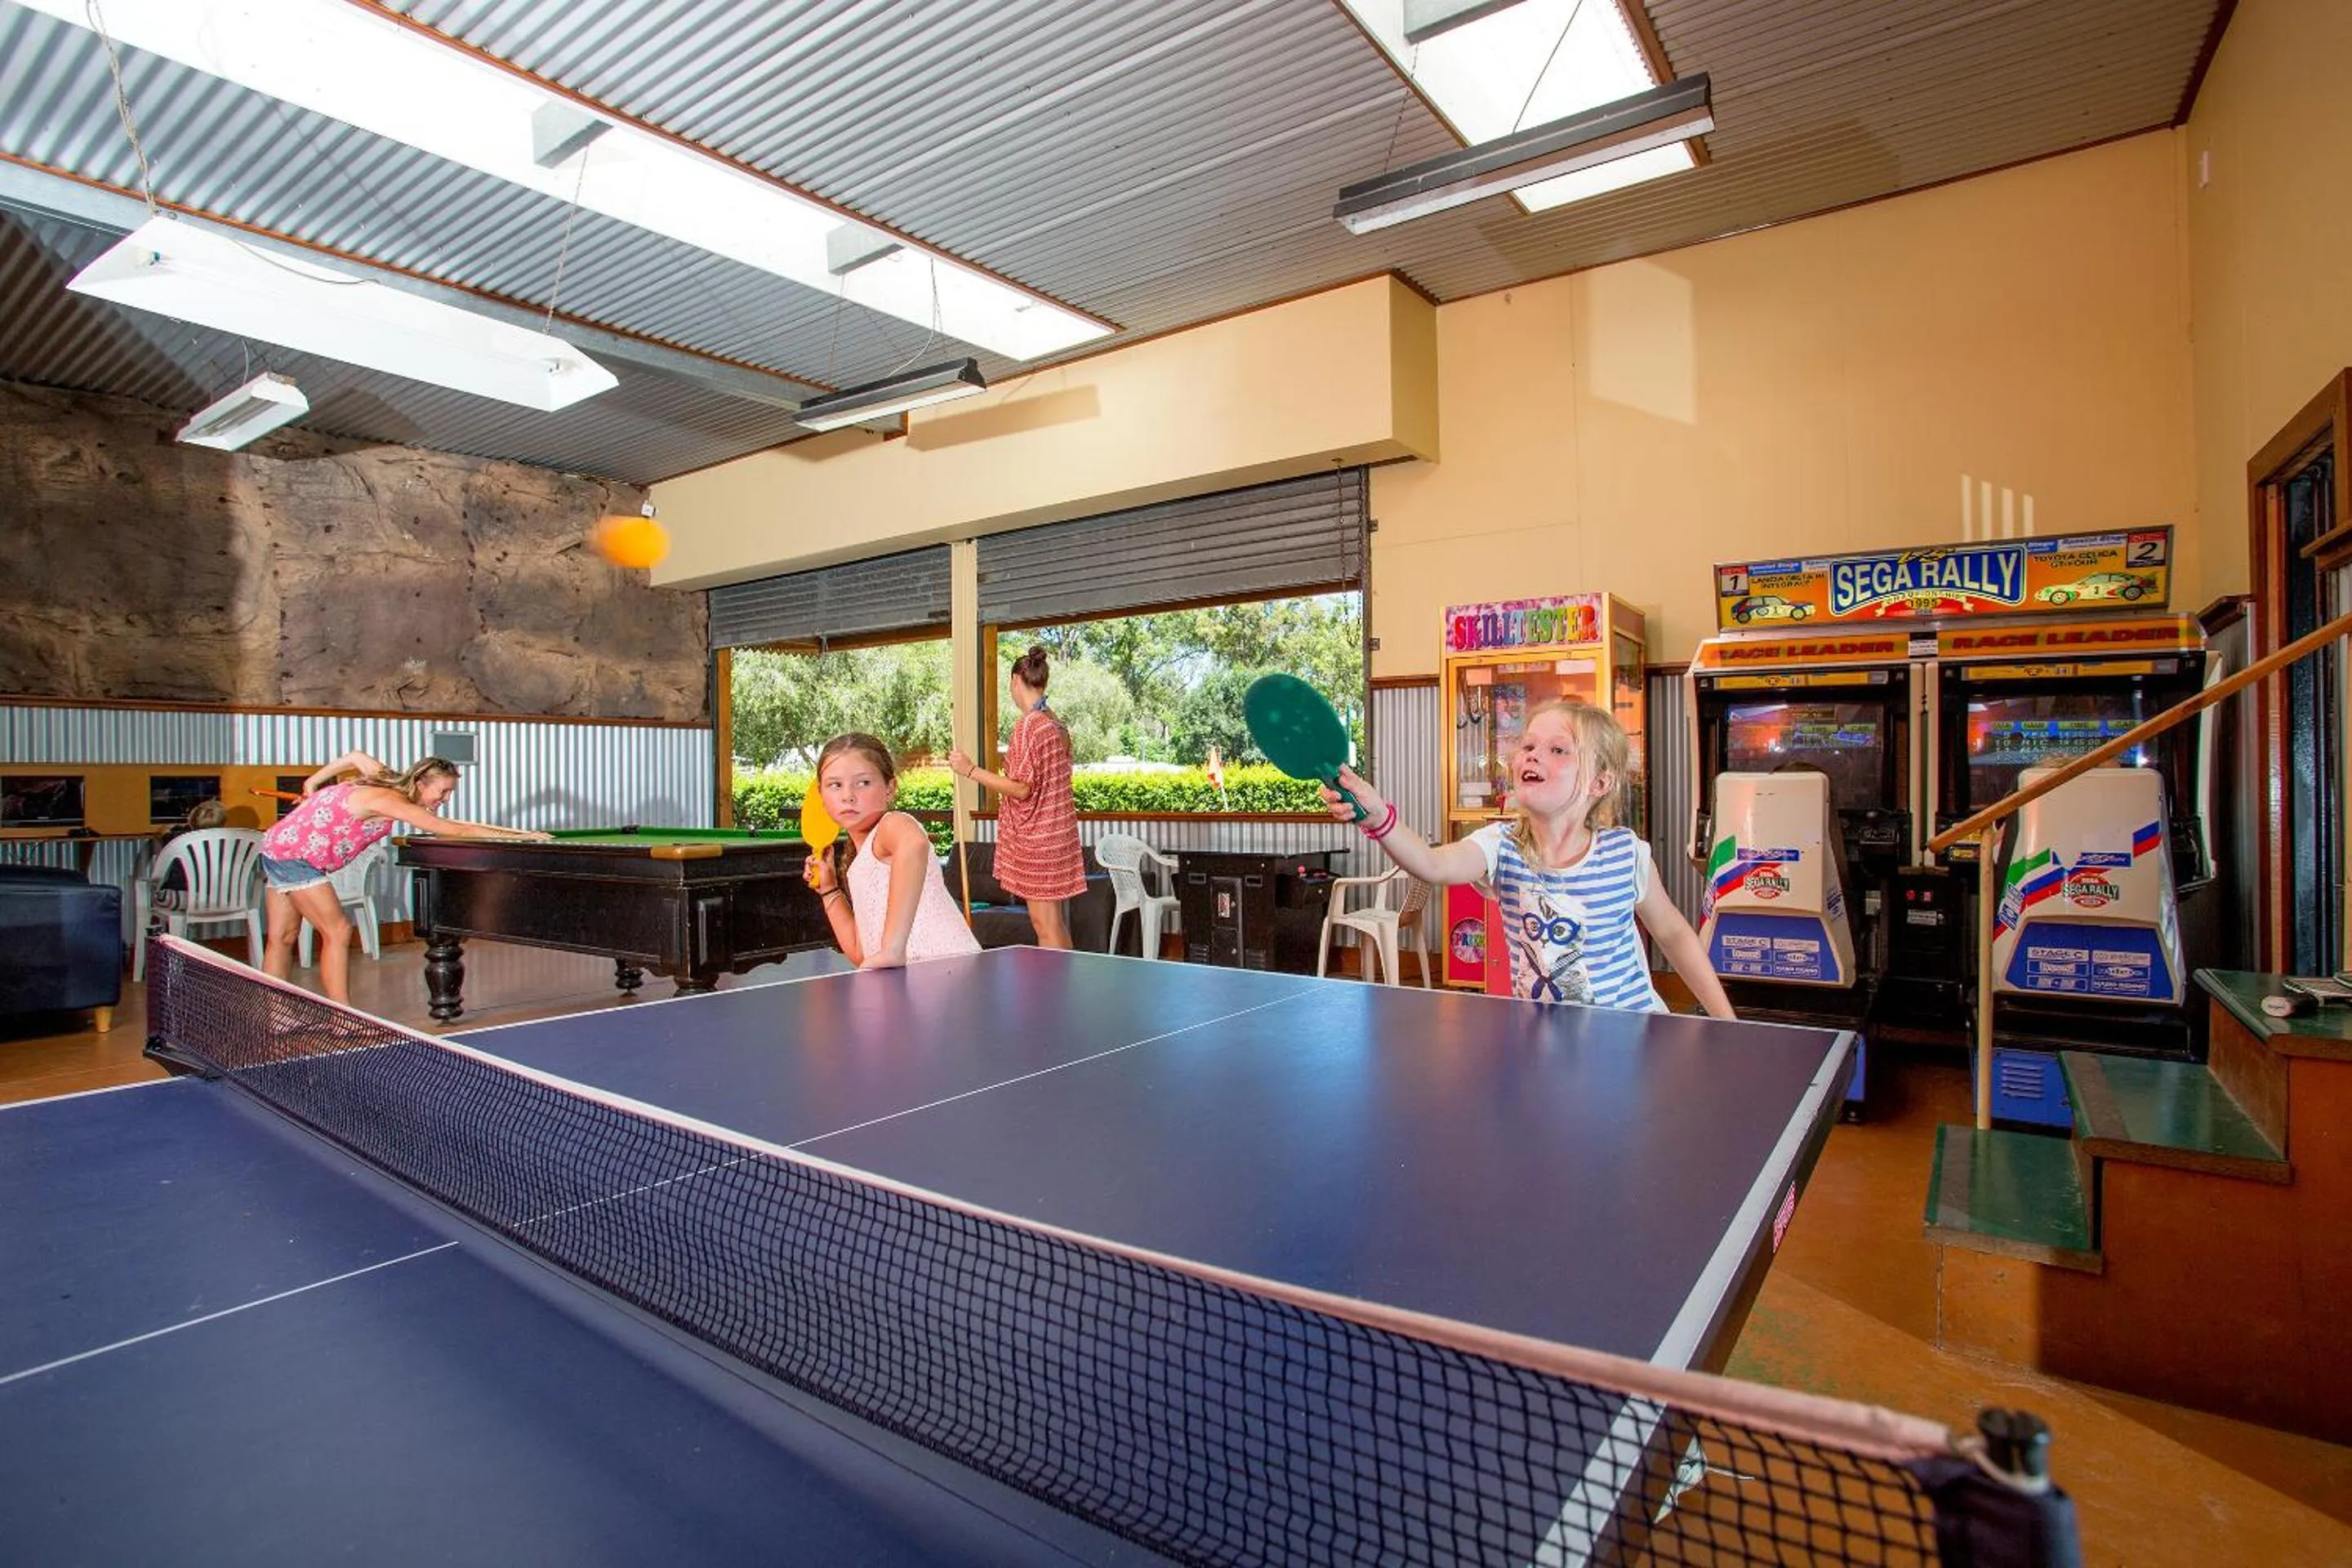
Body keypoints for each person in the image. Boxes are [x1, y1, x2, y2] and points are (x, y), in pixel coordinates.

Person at [1323, 699, 1735, 1018]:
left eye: (1558, 749)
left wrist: (1726, 1021)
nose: (1533, 755)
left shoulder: (1626, 853)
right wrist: (1379, 817)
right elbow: (1434, 865)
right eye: (1529, 746)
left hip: (1630, 1037)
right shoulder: (1500, 847)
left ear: (1599, 782)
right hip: (1544, 1041)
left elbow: (1675, 935)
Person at [258, 751, 548, 1004]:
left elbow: (354, 757)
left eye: (450, 793)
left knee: (283, 937)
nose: (445, 800)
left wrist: (313, 782)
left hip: (276, 847)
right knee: (338, 932)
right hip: (294, 857)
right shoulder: (392, 800)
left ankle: (279, 1017)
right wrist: (521, 838)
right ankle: (342, 1019)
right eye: (443, 792)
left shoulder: (386, 777)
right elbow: (454, 830)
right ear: (421, 784)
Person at [947, 644, 1086, 950]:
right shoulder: (1056, 724)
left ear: (1014, 681)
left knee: (1044, 923)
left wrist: (969, 769)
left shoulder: (1027, 727)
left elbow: (1022, 788)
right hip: (1060, 835)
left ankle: (1056, 995)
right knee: (1055, 922)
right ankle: (1067, 984)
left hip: (1039, 838)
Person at [805, 733, 982, 969]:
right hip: (912, 989)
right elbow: (862, 953)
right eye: (835, 785)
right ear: (821, 795)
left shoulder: (893, 825)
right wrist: (829, 890)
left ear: (890, 788)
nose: (848, 796)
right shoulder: (858, 864)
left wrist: (892, 949)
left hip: (953, 975)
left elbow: (913, 844)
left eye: (863, 783)